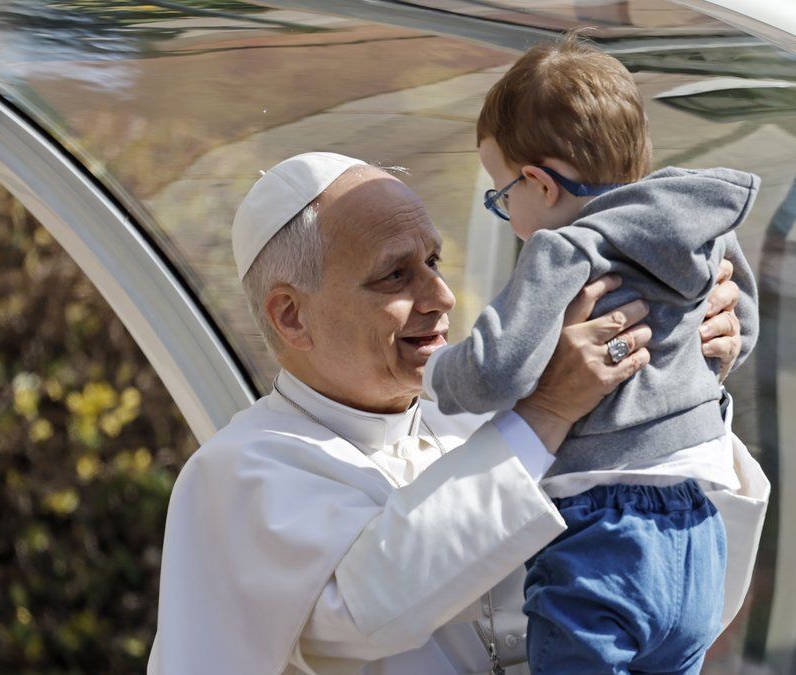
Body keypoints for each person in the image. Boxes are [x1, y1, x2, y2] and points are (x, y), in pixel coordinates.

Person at [147, 151, 746, 674]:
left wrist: (684, 378)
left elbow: (678, 595)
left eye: (433, 261)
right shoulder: (237, 472)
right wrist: (548, 412)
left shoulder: (488, 419)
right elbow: (368, 610)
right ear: (291, 316)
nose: (441, 296)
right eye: (395, 275)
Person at [424, 35, 763, 674]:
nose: (508, 214)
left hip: (602, 535)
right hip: (699, 532)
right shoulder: (704, 229)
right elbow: (735, 329)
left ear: (538, 183)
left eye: (501, 197)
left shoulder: (566, 251)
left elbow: (499, 370)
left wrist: (434, 373)